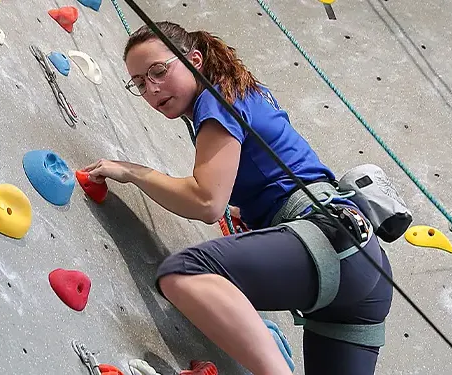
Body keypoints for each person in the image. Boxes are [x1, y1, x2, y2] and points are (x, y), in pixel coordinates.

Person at [80, 21, 394, 375]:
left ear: (194, 60)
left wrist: (132, 172)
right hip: (363, 267)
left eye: (158, 71)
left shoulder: (216, 102)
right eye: (139, 84)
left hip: (329, 243)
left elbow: (206, 202)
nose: (151, 89)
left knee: (184, 274)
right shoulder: (243, 93)